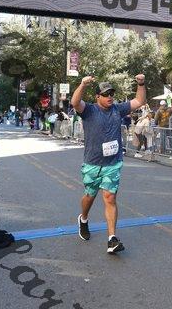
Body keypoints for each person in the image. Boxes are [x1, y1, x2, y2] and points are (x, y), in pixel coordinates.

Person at [71, 74, 146, 254]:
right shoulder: (89, 110)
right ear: (98, 96)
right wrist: (82, 84)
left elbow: (139, 101)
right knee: (89, 196)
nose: (110, 97)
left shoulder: (117, 109)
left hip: (113, 163)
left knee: (110, 198)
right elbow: (75, 102)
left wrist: (141, 83)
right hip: (92, 163)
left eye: (111, 93)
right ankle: (83, 218)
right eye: (106, 94)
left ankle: (112, 239)